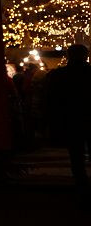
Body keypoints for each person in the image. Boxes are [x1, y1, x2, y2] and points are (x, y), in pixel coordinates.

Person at [49, 44, 91, 205]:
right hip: (88, 119)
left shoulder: (58, 75)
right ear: (86, 56)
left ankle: (82, 190)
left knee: (76, 158)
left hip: (71, 121)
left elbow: (52, 101)